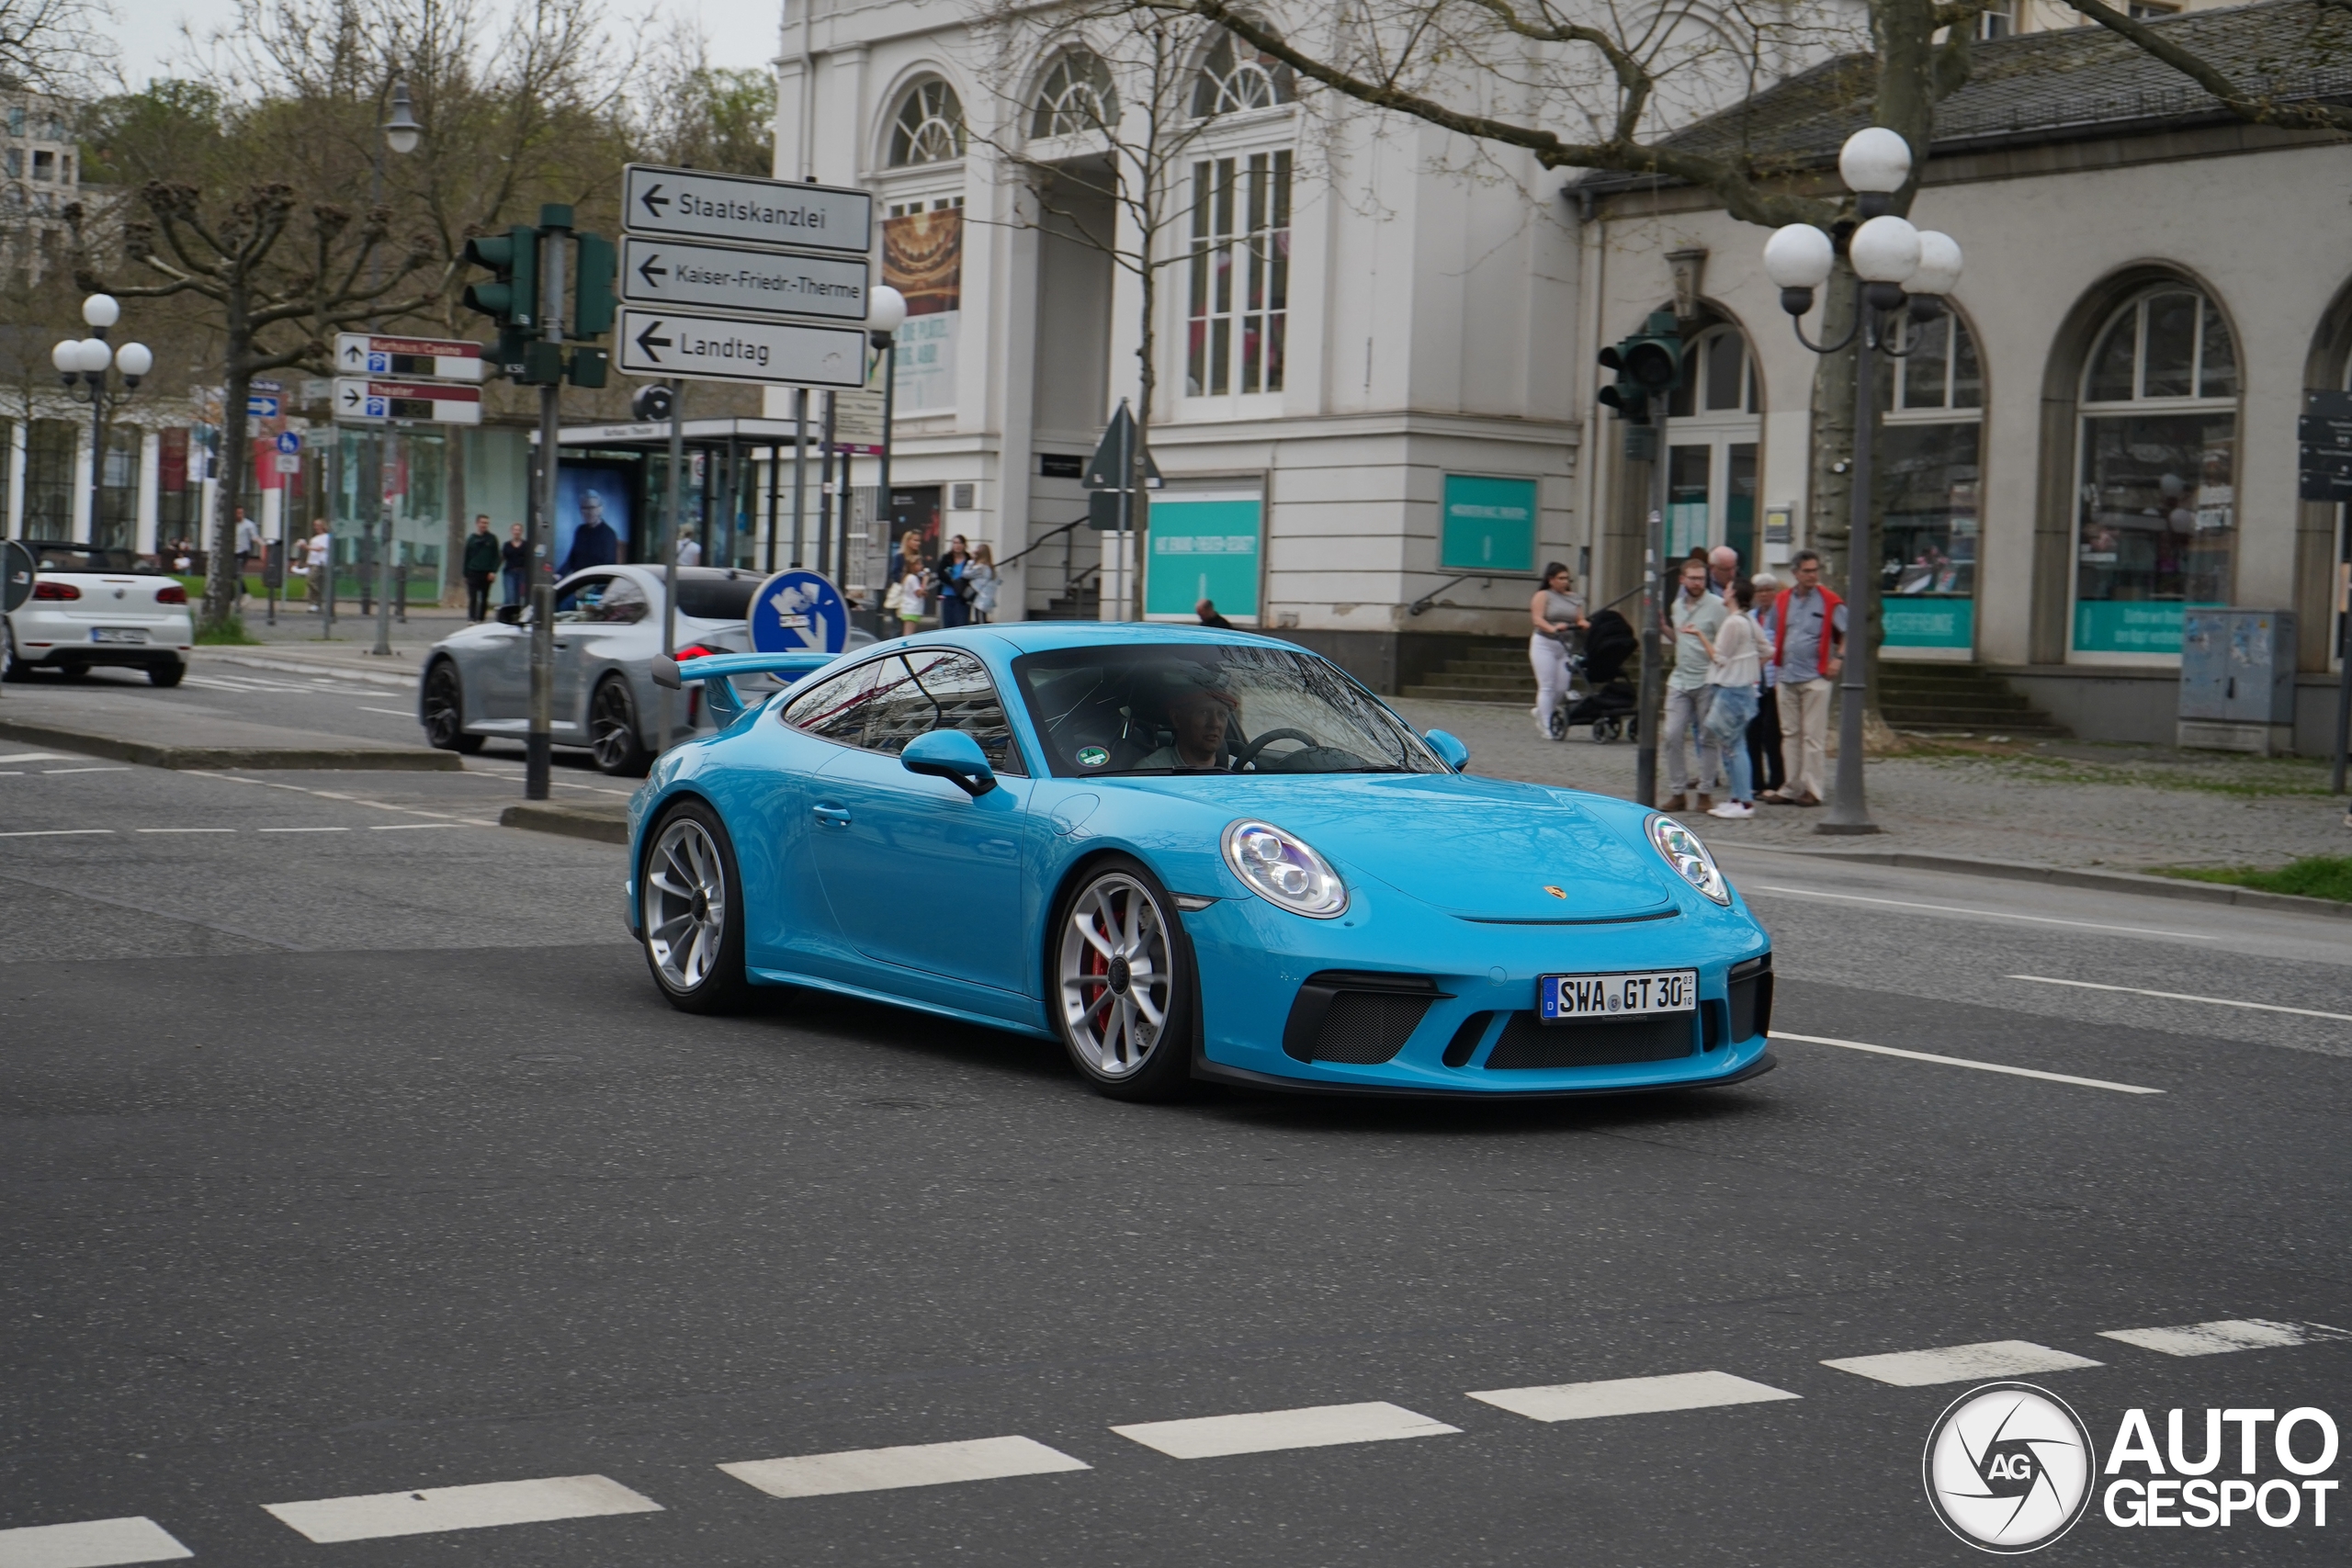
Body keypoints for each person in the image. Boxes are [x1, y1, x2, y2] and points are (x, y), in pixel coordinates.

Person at [1769, 548, 1845, 807]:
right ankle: (1791, 786)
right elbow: (1773, 632)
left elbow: (1847, 633)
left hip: (1815, 676)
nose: (1813, 575)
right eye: (1807, 571)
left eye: (1815, 570)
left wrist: (1838, 659)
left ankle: (1813, 789)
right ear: (1795, 573)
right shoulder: (1782, 600)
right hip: (1787, 675)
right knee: (1790, 733)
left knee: (1813, 736)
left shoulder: (1829, 600)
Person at [1660, 557, 1726, 811]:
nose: (1698, 582)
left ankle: (1706, 792)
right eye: (1693, 578)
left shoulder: (1718, 606)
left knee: (1708, 738)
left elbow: (1724, 642)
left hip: (1707, 679)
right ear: (1682, 580)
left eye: (1702, 578)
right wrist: (1664, 627)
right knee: (1672, 735)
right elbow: (1680, 639)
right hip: (1680, 679)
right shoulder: (1677, 605)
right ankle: (1678, 792)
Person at [1702, 580, 1764, 819]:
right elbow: (1766, 650)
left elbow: (1719, 658)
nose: (1724, 592)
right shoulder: (1749, 620)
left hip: (1731, 688)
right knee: (1732, 745)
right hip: (1743, 688)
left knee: (1734, 746)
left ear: (1734, 594)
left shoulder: (1732, 622)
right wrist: (1750, 669)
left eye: (1728, 588)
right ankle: (1737, 798)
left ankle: (1744, 802)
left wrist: (1699, 635)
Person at [1136, 666, 1238, 772]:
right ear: (1176, 719)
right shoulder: (1150, 772)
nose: (1215, 723)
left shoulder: (1241, 769)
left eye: (1222, 714)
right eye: (1203, 712)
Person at [1527, 562, 1587, 739]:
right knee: (1547, 686)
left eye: (1567, 578)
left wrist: (1582, 624)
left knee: (1562, 687)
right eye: (1560, 578)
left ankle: (1541, 710)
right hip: (1545, 643)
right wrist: (1552, 628)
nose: (1564, 582)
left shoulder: (1575, 598)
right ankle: (1547, 725)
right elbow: (1537, 619)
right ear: (1551, 580)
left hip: (1565, 646)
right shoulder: (1543, 595)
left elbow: (1579, 618)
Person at [1747, 571, 1788, 800]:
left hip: (1775, 681)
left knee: (1772, 735)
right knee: (1752, 732)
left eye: (1768, 590)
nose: (1764, 595)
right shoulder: (1751, 617)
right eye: (1760, 591)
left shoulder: (1781, 615)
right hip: (1754, 682)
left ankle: (1777, 780)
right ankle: (1755, 782)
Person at [558, 489, 619, 579]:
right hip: (577, 582)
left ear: (600, 509)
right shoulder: (580, 531)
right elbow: (572, 560)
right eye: (585, 508)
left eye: (592, 508)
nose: (589, 512)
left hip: (596, 584)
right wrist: (559, 574)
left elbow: (607, 567)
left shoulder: (609, 534)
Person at [460, 514, 500, 622]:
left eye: (486, 523)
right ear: (477, 524)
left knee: (484, 598)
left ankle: (481, 618)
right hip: (473, 572)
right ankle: (471, 618)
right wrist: (465, 573)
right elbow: (466, 557)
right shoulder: (471, 539)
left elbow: (496, 557)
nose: (484, 525)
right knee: (473, 597)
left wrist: (493, 571)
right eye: (482, 523)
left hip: (486, 572)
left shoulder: (492, 539)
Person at [937, 534, 974, 628]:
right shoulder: (947, 558)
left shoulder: (969, 559)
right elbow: (940, 573)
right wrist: (952, 582)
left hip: (962, 596)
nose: (957, 546)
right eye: (955, 543)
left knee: (961, 624)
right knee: (948, 625)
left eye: (960, 543)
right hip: (948, 594)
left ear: (964, 545)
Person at [966, 542, 999, 624]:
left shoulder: (980, 567)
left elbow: (966, 574)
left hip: (980, 599)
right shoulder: (991, 568)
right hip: (987, 598)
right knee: (982, 619)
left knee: (980, 621)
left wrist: (971, 561)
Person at [302, 520, 331, 613]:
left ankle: (317, 600)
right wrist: (307, 561)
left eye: (318, 525)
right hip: (312, 562)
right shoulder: (314, 538)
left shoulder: (326, 537)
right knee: (310, 583)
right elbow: (311, 551)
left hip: (319, 562)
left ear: (323, 526)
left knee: (311, 580)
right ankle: (312, 604)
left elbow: (320, 549)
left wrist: (306, 547)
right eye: (315, 525)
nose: (316, 527)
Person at [500, 523, 529, 608]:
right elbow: (502, 558)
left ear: (521, 532)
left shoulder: (526, 545)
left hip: (522, 573)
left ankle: (515, 615)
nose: (517, 532)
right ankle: (506, 614)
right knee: (510, 595)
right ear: (511, 531)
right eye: (515, 530)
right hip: (509, 572)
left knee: (518, 597)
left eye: (519, 530)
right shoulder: (506, 545)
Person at [233, 509, 260, 599]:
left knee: (237, 572)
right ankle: (234, 595)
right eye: (237, 513)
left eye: (241, 513)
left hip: (242, 552)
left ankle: (245, 593)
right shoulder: (232, 525)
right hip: (233, 552)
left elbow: (254, 536)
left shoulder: (248, 525)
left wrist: (261, 543)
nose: (239, 515)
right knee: (231, 574)